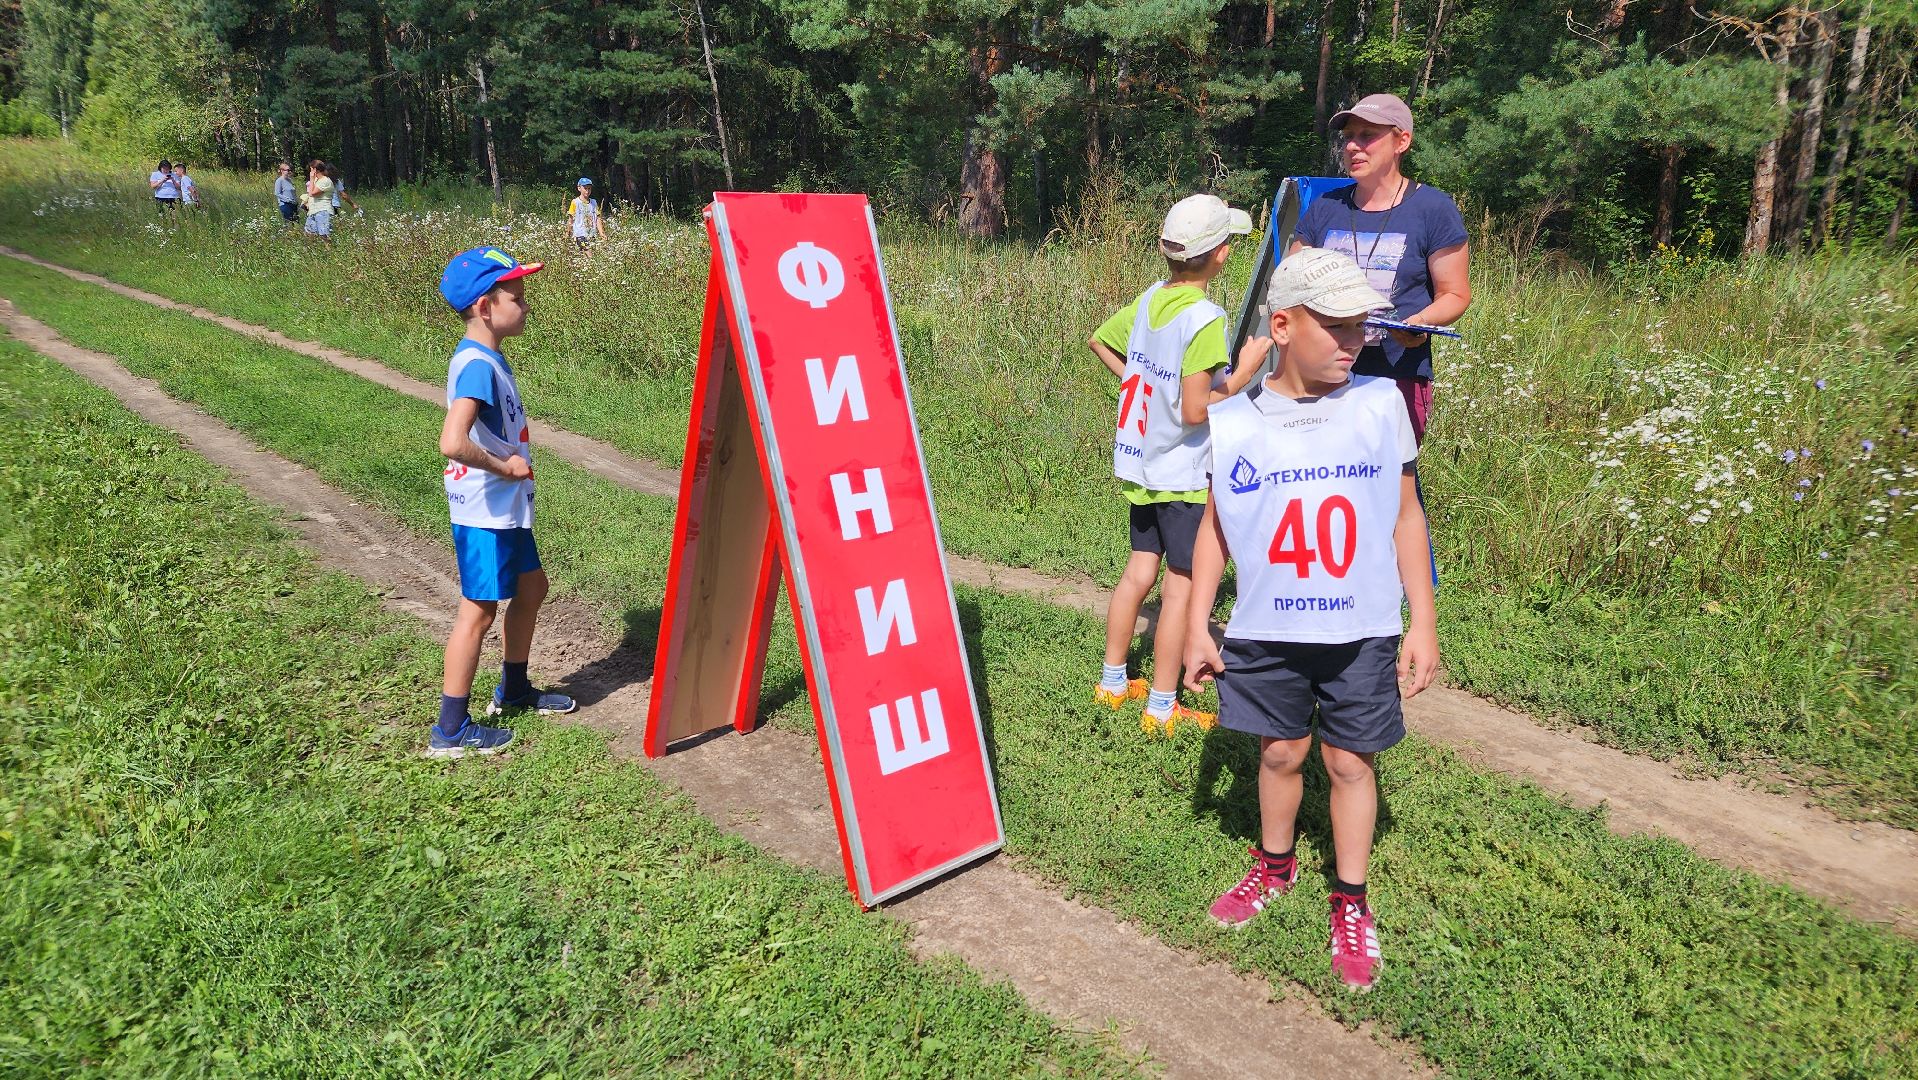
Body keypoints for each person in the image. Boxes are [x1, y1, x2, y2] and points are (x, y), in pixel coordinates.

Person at [1182, 248, 1437, 993]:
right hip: (1268, 631)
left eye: (1364, 326)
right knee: (1280, 755)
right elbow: (1214, 530)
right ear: (1284, 326)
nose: (1357, 341)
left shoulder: (1380, 404)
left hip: (1360, 631)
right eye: (1340, 326)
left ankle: (1351, 899)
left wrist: (1422, 620)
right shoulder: (1232, 422)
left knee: (1350, 762)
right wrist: (1198, 623)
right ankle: (1275, 865)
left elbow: (1407, 517)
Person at [1088, 193, 1270, 734]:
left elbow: (1100, 341)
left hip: (1143, 466)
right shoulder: (1205, 318)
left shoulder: (1151, 298)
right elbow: (1195, 410)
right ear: (1221, 254)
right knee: (1179, 589)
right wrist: (1245, 374)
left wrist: (1141, 384)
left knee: (1137, 572)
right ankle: (1162, 707)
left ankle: (1112, 682)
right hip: (1184, 476)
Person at [429, 246, 578, 758]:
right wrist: (505, 467)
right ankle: (450, 730)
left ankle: (513, 690)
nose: (525, 304)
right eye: (516, 296)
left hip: (503, 509)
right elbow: (453, 441)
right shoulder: (476, 365)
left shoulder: (487, 357)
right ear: (484, 307)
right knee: (478, 611)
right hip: (485, 511)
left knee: (532, 587)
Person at [1291, 93, 1470, 444]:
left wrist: (1418, 323)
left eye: (1367, 136)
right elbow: (1291, 282)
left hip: (1395, 374)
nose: (1352, 146)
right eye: (1348, 137)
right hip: (1323, 372)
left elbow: (1455, 294)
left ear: (1401, 141)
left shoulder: (1433, 208)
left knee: (1390, 473)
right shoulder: (1326, 207)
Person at [566, 177, 605, 250]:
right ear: (579, 188)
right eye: (585, 188)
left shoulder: (594, 202)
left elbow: (598, 219)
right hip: (580, 235)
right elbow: (571, 219)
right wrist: (567, 233)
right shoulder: (575, 202)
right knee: (588, 253)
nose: (587, 191)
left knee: (590, 254)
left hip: (592, 234)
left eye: (589, 188)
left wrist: (601, 233)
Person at [303, 160, 334, 239]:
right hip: (313, 211)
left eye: (311, 169)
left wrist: (311, 179)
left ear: (315, 170)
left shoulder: (325, 180)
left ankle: (328, 247)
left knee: (324, 236)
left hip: (323, 211)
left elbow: (312, 193)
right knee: (309, 235)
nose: (310, 172)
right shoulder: (317, 181)